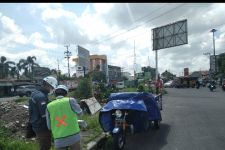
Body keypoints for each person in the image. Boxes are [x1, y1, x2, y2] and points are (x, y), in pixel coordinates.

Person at [46, 84, 83, 150]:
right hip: (73, 136)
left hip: (58, 139)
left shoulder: (49, 106)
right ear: (66, 93)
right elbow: (80, 113)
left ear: (55, 94)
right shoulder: (70, 100)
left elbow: (49, 126)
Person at [28, 76, 58, 150]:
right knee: (45, 146)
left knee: (44, 145)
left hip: (36, 123)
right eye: (51, 87)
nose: (52, 89)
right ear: (47, 85)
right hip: (41, 126)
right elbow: (45, 115)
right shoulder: (41, 97)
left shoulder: (37, 93)